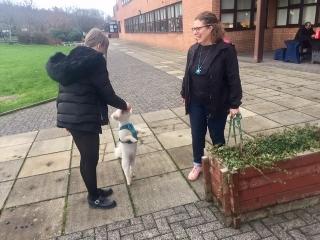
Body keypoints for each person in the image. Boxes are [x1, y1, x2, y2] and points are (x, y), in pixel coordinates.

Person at [46, 28, 130, 209]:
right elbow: (107, 92)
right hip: (83, 117)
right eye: (104, 49)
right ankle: (93, 198)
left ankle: (94, 190)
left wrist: (65, 120)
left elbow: (62, 92)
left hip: (74, 117)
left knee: (88, 157)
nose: (104, 54)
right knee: (89, 158)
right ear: (100, 45)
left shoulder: (73, 58)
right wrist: (124, 105)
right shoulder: (94, 60)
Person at [181, 11, 242, 181]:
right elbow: (187, 74)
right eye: (193, 29)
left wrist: (235, 104)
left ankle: (220, 164)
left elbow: (233, 78)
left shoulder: (226, 50)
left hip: (217, 102)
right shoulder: (193, 49)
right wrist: (184, 93)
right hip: (196, 102)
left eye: (198, 28)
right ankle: (197, 164)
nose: (195, 32)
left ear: (210, 27)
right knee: (197, 134)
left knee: (217, 135)